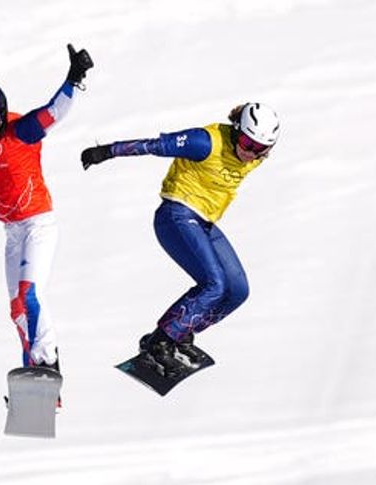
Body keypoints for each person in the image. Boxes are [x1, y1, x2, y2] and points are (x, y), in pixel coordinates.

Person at [80, 102, 280, 372]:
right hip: (175, 216)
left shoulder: (254, 157)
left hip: (204, 223)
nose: (249, 153)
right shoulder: (204, 142)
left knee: (238, 291)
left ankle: (181, 334)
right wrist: (106, 151)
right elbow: (153, 145)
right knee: (215, 284)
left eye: (259, 149)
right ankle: (159, 342)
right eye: (246, 142)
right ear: (236, 130)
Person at [0, 44, 94, 372]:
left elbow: (54, 112)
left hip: (37, 223)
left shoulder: (20, 131)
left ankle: (47, 359)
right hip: (12, 231)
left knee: (29, 293)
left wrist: (73, 78)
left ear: (2, 113)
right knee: (17, 309)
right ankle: (33, 374)